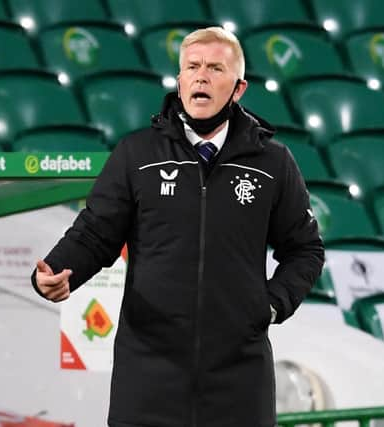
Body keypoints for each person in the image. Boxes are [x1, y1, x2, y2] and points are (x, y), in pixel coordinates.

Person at [32, 26, 324, 427]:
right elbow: (96, 232)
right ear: (180, 80)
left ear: (238, 89)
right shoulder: (137, 153)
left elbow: (305, 249)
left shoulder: (272, 162)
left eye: (215, 68)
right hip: (149, 373)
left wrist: (271, 305)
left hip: (239, 375)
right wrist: (58, 270)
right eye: (193, 67)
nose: (201, 76)